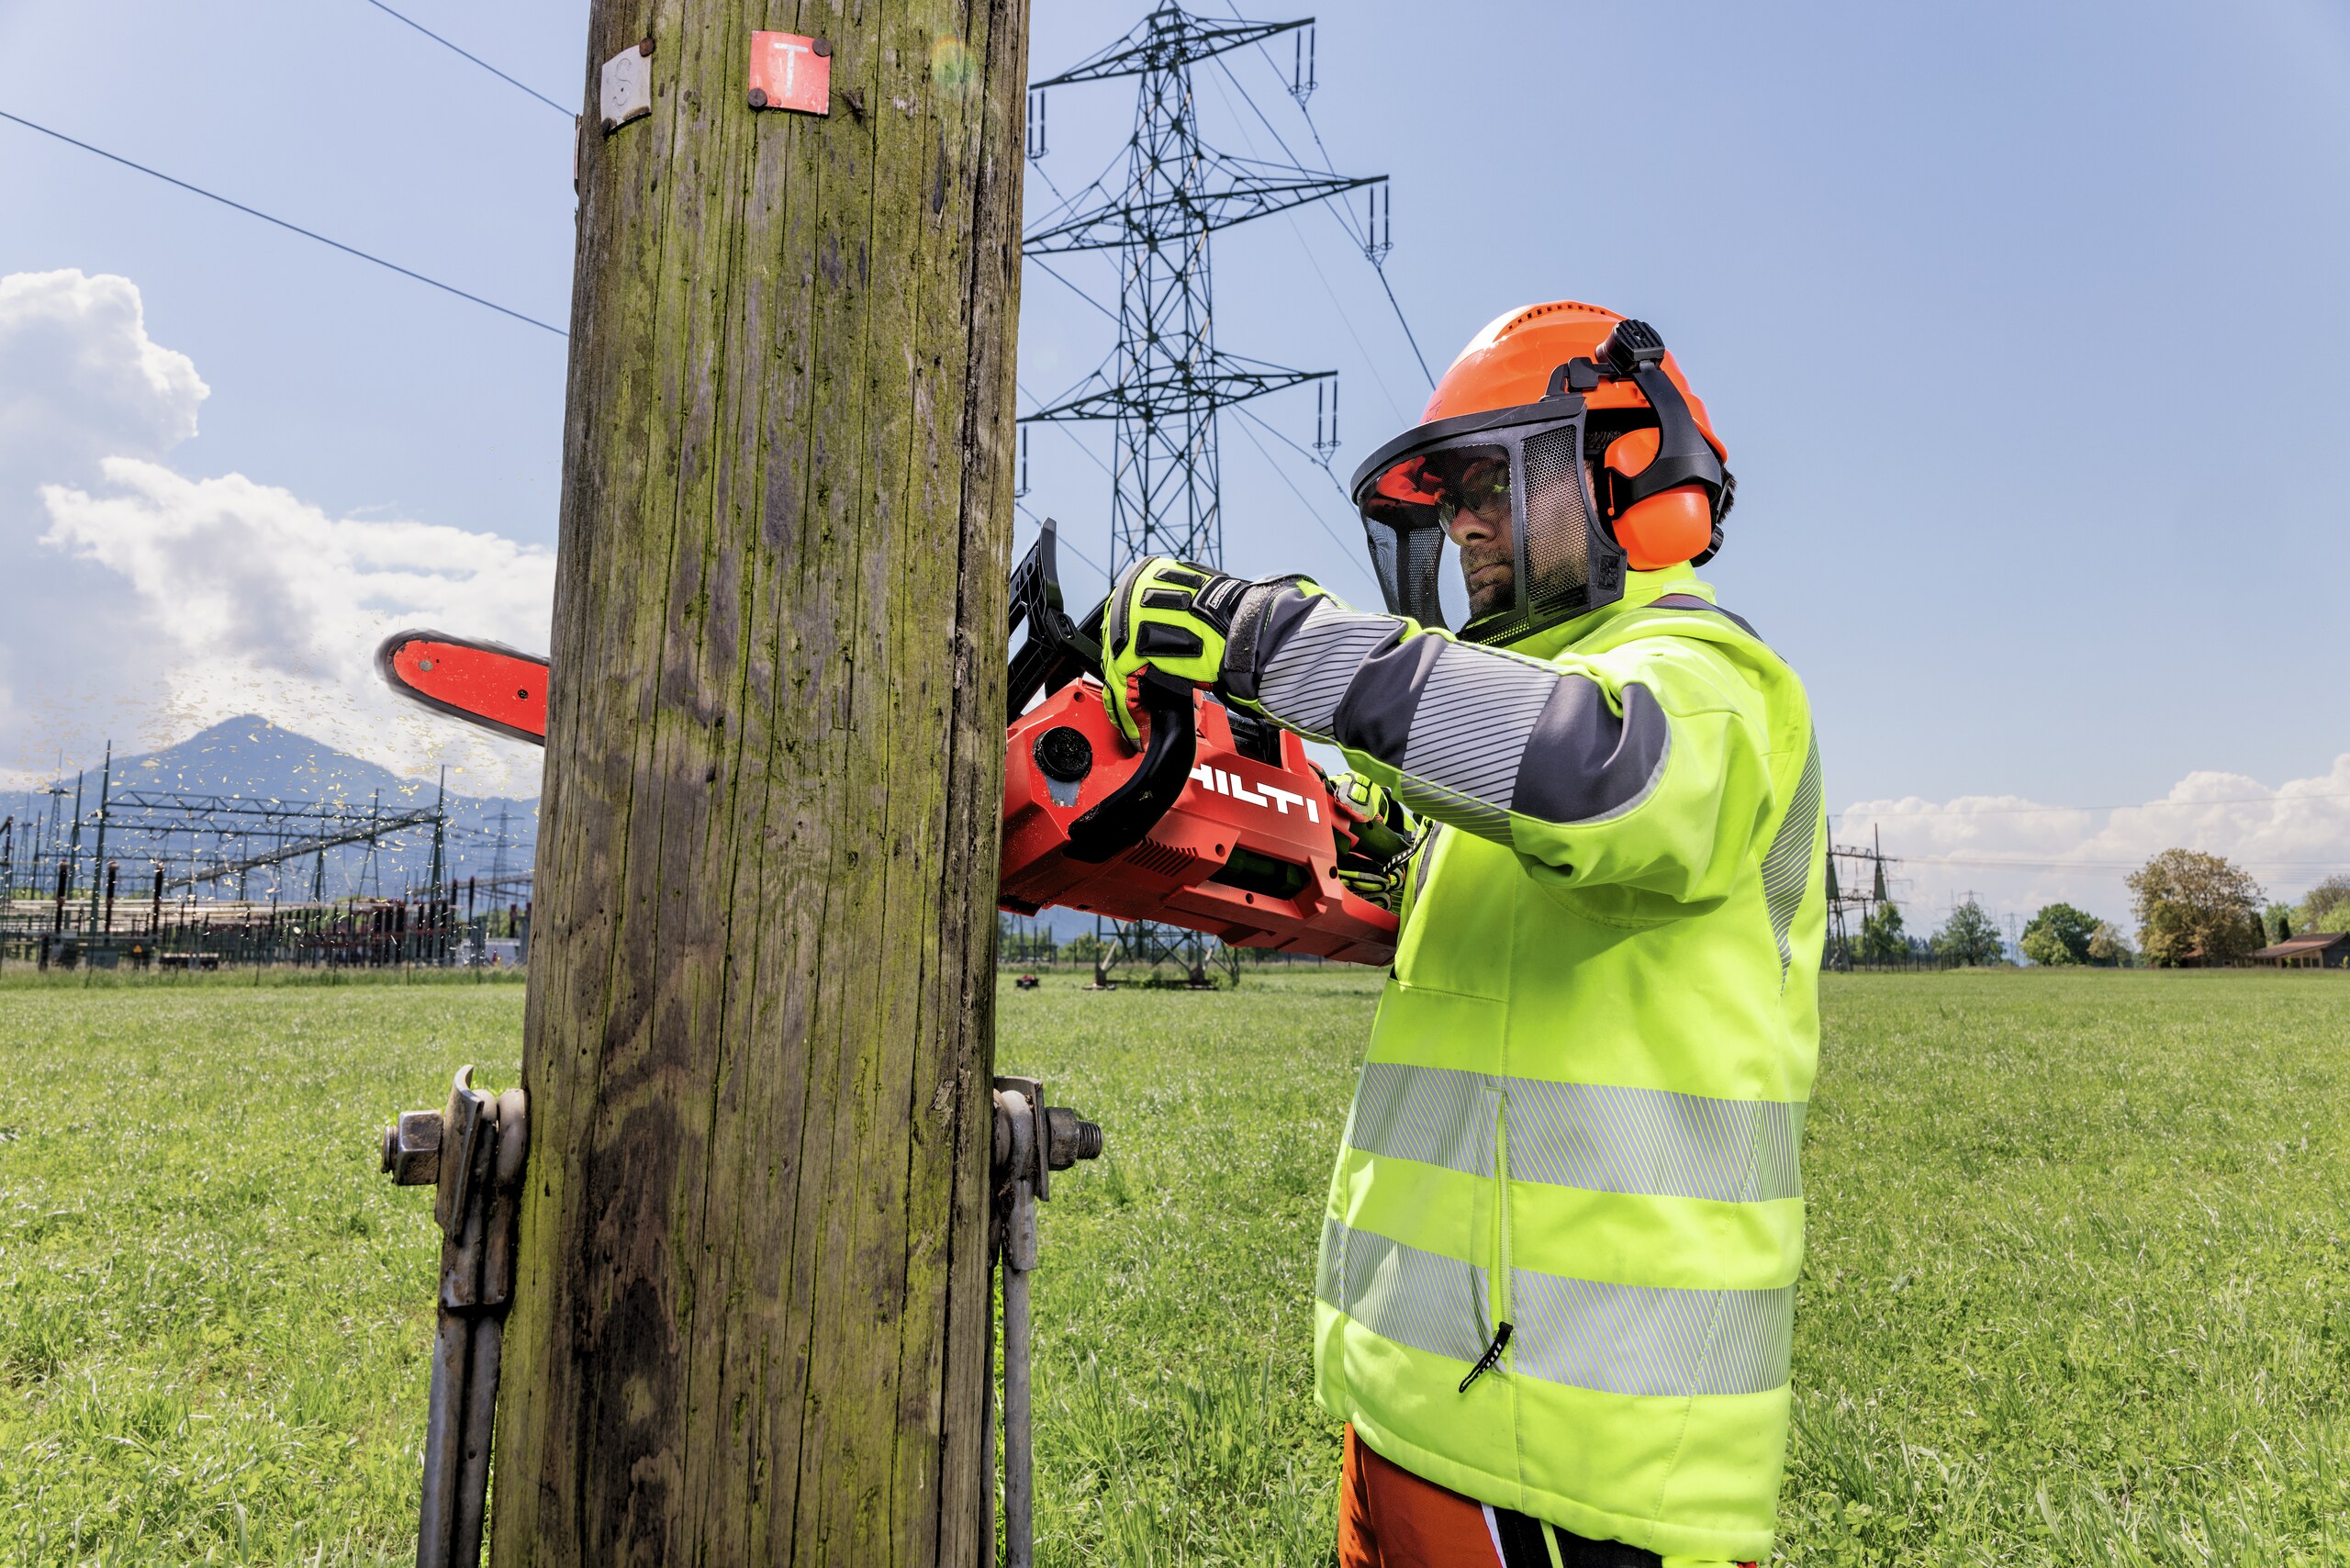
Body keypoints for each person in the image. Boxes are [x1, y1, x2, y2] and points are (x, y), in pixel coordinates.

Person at [1097, 301, 1824, 1568]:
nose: (1463, 524)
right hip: (1423, 1407)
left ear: (1623, 468)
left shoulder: (1705, 677)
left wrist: (1279, 644)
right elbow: (1422, 831)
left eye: (1489, 482)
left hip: (1587, 1457)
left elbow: (1592, 768)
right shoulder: (1493, 740)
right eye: (1446, 500)